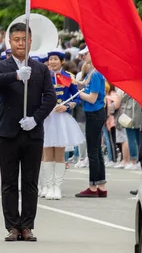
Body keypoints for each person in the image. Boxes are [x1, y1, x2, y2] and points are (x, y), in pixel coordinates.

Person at [0, 22, 56, 242]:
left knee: (30, 182)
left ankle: (27, 225)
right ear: (10, 41)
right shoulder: (2, 65)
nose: (20, 44)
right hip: (8, 132)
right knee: (8, 182)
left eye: (24, 40)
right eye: (16, 40)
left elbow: (51, 97)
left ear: (31, 41)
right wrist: (16, 75)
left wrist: (36, 119)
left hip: (32, 132)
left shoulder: (41, 69)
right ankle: (12, 226)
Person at [40, 50, 84, 200]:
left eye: (55, 59)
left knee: (59, 154)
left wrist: (67, 106)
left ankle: (56, 187)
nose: (52, 62)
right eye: (50, 59)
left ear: (62, 61)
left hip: (62, 119)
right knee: (46, 155)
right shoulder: (43, 77)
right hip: (47, 118)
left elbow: (76, 98)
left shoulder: (69, 78)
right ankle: (48, 185)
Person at [75, 46, 108, 198]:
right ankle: (101, 185)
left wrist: (79, 94)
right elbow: (83, 84)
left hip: (94, 112)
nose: (83, 57)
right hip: (95, 113)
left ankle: (93, 186)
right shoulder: (93, 72)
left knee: (93, 151)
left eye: (86, 54)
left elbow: (92, 98)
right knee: (97, 151)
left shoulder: (95, 74)